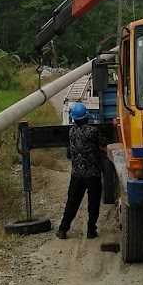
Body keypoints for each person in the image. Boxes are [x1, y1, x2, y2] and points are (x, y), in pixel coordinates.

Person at [57, 102, 103, 240]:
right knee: (93, 203)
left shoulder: (71, 132)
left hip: (76, 174)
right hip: (93, 174)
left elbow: (70, 153)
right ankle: (91, 230)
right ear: (86, 117)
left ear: (74, 118)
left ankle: (63, 229)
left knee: (72, 202)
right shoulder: (93, 132)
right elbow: (103, 143)